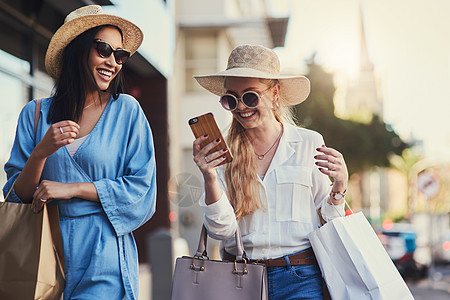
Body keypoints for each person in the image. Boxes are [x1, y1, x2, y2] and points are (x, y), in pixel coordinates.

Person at [2, 5, 156, 299]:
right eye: (104, 50)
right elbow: (15, 198)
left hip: (104, 256)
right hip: (42, 254)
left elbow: (142, 191)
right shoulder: (34, 114)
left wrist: (71, 189)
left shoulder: (127, 111)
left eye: (120, 55)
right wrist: (41, 153)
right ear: (78, 50)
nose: (113, 62)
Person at [192, 44, 349, 299]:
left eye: (250, 96)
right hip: (238, 279)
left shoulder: (309, 143)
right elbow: (220, 232)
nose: (241, 107)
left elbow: (328, 221)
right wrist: (209, 175)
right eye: (231, 98)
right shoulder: (221, 151)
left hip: (301, 278)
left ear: (275, 93)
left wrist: (339, 187)